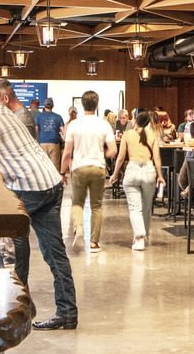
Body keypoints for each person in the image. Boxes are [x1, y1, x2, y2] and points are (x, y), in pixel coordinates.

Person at [0, 73, 74, 328]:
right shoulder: (5, 112)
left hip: (27, 187)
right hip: (50, 183)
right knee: (55, 253)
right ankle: (67, 313)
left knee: (4, 246)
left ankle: (16, 308)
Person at [63, 90, 115, 253]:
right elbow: (113, 150)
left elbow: (67, 152)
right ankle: (94, 243)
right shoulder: (104, 124)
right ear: (97, 105)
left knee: (78, 202)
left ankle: (79, 230)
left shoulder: (74, 125)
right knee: (96, 206)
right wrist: (101, 154)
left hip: (79, 167)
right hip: (98, 167)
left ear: (82, 105)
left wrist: (61, 172)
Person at [111, 106, 160, 251]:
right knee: (146, 207)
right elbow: (156, 157)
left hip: (132, 170)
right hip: (149, 170)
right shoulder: (153, 135)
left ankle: (139, 238)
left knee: (134, 208)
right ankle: (142, 236)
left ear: (135, 120)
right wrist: (160, 175)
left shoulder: (127, 134)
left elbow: (120, 157)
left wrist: (114, 174)